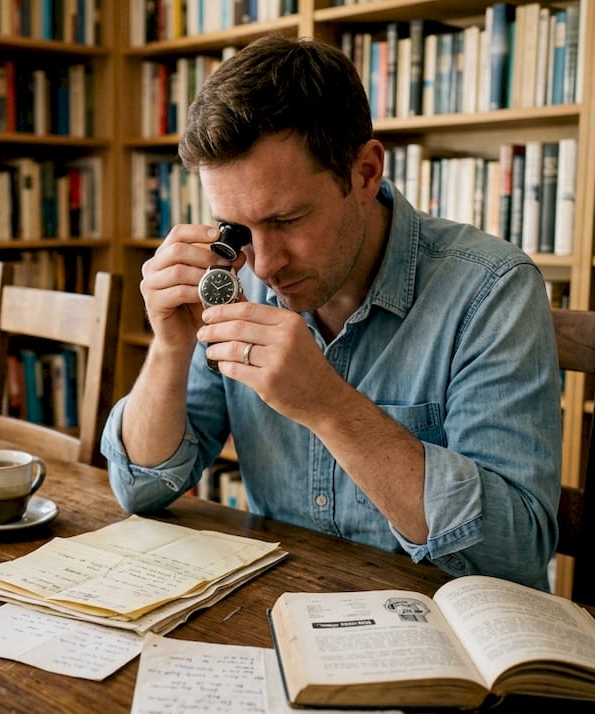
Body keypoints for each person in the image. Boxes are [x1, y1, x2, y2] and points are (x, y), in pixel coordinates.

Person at [100, 35, 562, 590]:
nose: (263, 264)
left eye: (288, 219)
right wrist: (171, 346)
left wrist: (327, 406)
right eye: (241, 229)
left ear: (365, 172)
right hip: (280, 611)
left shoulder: (492, 289)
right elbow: (142, 489)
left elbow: (516, 551)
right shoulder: (232, 274)